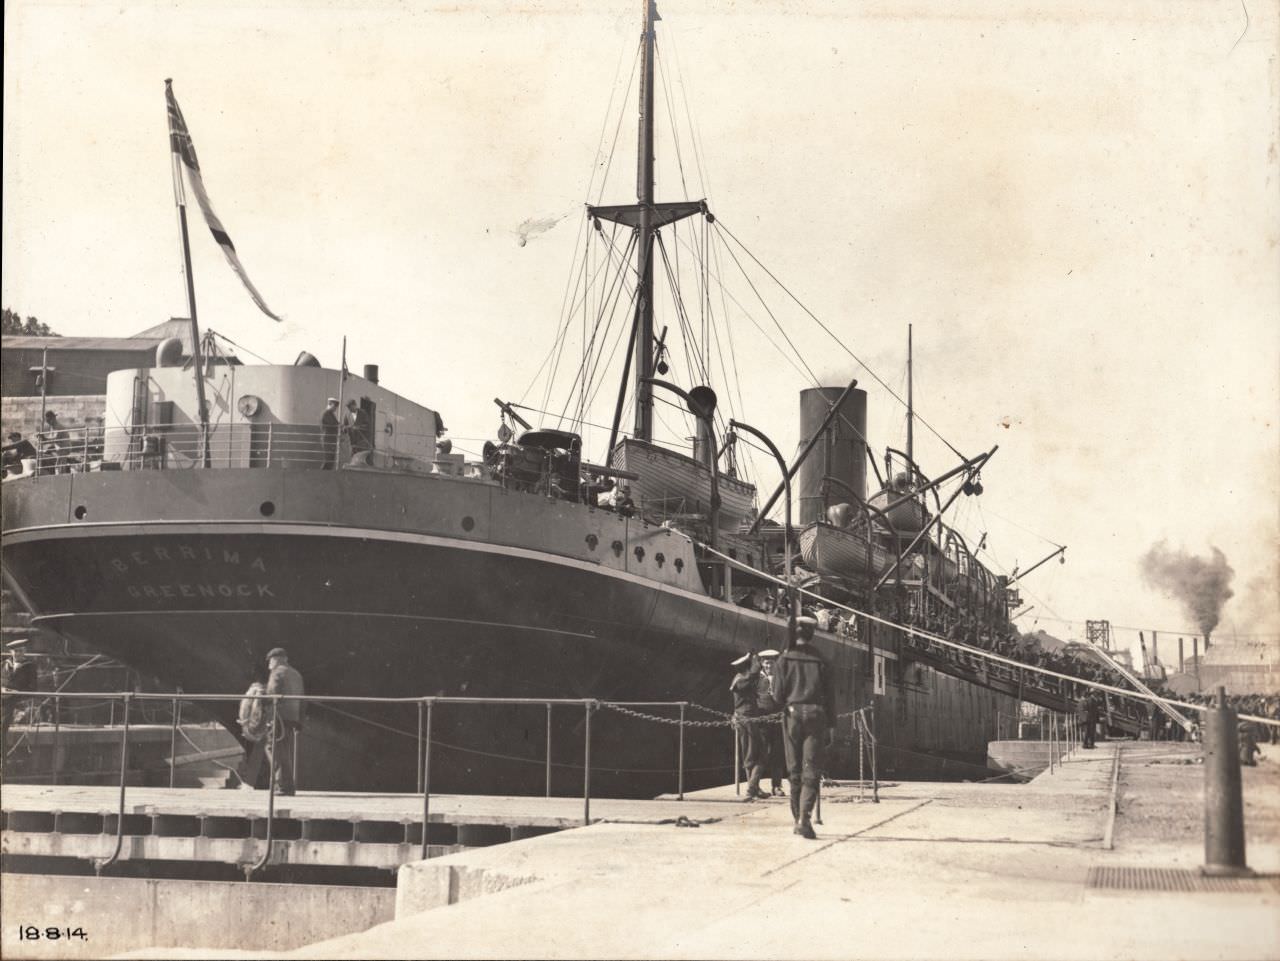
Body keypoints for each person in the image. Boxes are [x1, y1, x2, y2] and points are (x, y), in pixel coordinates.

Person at [775, 617, 835, 839]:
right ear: (812, 634)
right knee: (811, 770)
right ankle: (804, 819)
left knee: (794, 771)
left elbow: (777, 696)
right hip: (816, 717)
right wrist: (832, 725)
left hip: (792, 717)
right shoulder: (822, 660)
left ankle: (796, 820)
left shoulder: (784, 659)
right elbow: (830, 697)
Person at [265, 647, 305, 795]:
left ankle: (283, 785)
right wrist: (299, 721)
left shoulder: (277, 672)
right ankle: (287, 785)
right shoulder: (296, 674)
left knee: (273, 748)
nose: (269, 664)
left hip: (278, 717)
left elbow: (271, 695)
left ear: (275, 660)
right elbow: (303, 699)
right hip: (292, 718)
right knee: (284, 751)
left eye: (270, 661)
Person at [731, 653, 767, 800]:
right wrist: (757, 665)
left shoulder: (739, 680)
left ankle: (754, 787)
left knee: (751, 753)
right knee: (759, 754)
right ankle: (752, 788)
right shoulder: (741, 681)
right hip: (747, 720)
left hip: (746, 718)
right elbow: (751, 678)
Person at [757, 649, 787, 796]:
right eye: (767, 663)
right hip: (762, 720)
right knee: (760, 752)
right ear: (762, 664)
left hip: (778, 720)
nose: (769, 666)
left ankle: (777, 786)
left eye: (772, 663)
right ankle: (754, 785)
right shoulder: (756, 678)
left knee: (777, 752)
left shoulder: (781, 678)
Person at [236, 670, 271, 789]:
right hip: (264, 725)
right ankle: (252, 782)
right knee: (267, 753)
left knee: (257, 754)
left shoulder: (253, 691)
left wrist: (247, 725)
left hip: (255, 727)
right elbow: (257, 710)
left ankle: (249, 783)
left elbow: (247, 709)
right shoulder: (265, 691)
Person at [320, 399, 341, 468]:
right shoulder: (326, 413)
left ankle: (327, 476)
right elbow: (333, 424)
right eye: (335, 406)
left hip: (331, 440)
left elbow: (336, 423)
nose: (335, 408)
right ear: (330, 404)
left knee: (331, 460)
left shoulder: (331, 414)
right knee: (327, 459)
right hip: (327, 440)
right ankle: (322, 475)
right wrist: (339, 425)